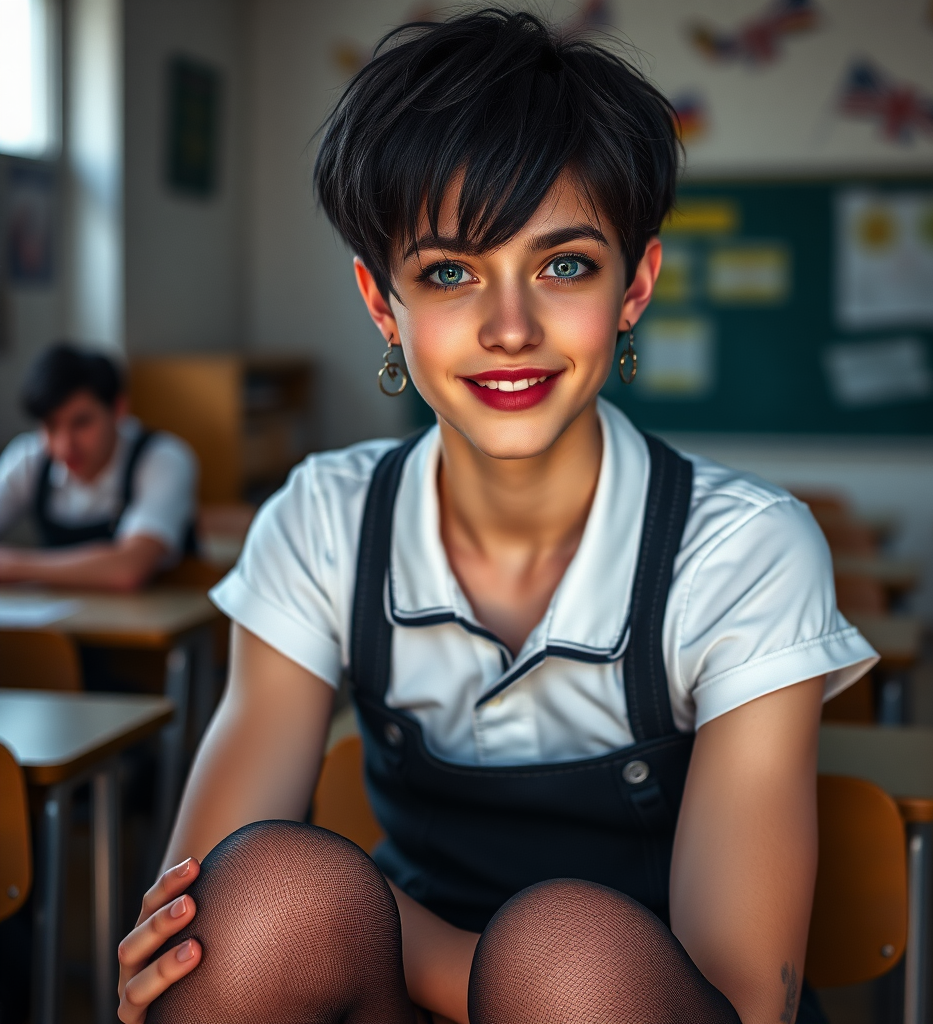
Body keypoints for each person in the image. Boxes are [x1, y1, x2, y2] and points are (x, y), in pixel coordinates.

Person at [116, 11, 878, 1024]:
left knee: (565, 963)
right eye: (447, 273)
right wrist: (312, 926)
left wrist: (395, 930)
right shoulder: (324, 518)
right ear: (383, 306)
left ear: (635, 286)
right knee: (256, 904)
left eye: (563, 265)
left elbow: (744, 997)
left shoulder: (742, 548)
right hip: (398, 998)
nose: (509, 328)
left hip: (640, 1006)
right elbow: (193, 924)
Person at [0, 342, 197, 591]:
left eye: (81, 423)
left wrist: (14, 566)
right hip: (64, 623)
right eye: (50, 427)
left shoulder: (163, 459)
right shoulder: (29, 460)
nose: (64, 446)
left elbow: (127, 569)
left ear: (118, 409)